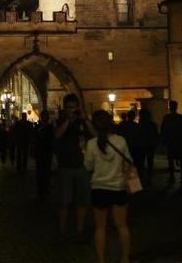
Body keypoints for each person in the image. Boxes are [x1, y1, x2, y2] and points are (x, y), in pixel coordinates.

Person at [84, 110, 131, 263]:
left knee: (100, 228)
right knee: (122, 226)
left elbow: (88, 167)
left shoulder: (91, 144)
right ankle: (124, 258)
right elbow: (128, 162)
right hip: (118, 187)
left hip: (99, 188)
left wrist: (83, 151)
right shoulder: (121, 141)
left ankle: (101, 259)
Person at [54, 93, 95, 242]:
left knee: (83, 200)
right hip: (65, 166)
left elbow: (95, 135)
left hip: (82, 166)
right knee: (65, 201)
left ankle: (80, 229)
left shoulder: (83, 121)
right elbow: (57, 135)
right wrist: (68, 121)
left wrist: (86, 120)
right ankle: (61, 229)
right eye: (69, 108)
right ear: (65, 108)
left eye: (74, 107)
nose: (72, 110)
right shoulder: (61, 120)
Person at [33, 110, 54, 198]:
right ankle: (41, 188)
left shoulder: (50, 127)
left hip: (47, 151)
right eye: (44, 116)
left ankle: (45, 187)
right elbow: (34, 139)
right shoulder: (37, 127)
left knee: (46, 170)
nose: (45, 118)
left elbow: (52, 138)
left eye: (46, 116)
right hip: (40, 151)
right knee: (40, 170)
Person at [121, 111, 145, 184]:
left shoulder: (122, 125)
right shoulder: (136, 126)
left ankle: (129, 181)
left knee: (128, 165)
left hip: (126, 147)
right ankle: (136, 182)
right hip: (136, 148)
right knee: (137, 165)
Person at [138, 109, 158, 186]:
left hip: (142, 145)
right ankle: (148, 177)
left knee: (141, 162)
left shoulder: (140, 124)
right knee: (150, 162)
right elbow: (155, 135)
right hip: (149, 145)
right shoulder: (152, 124)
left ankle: (142, 177)